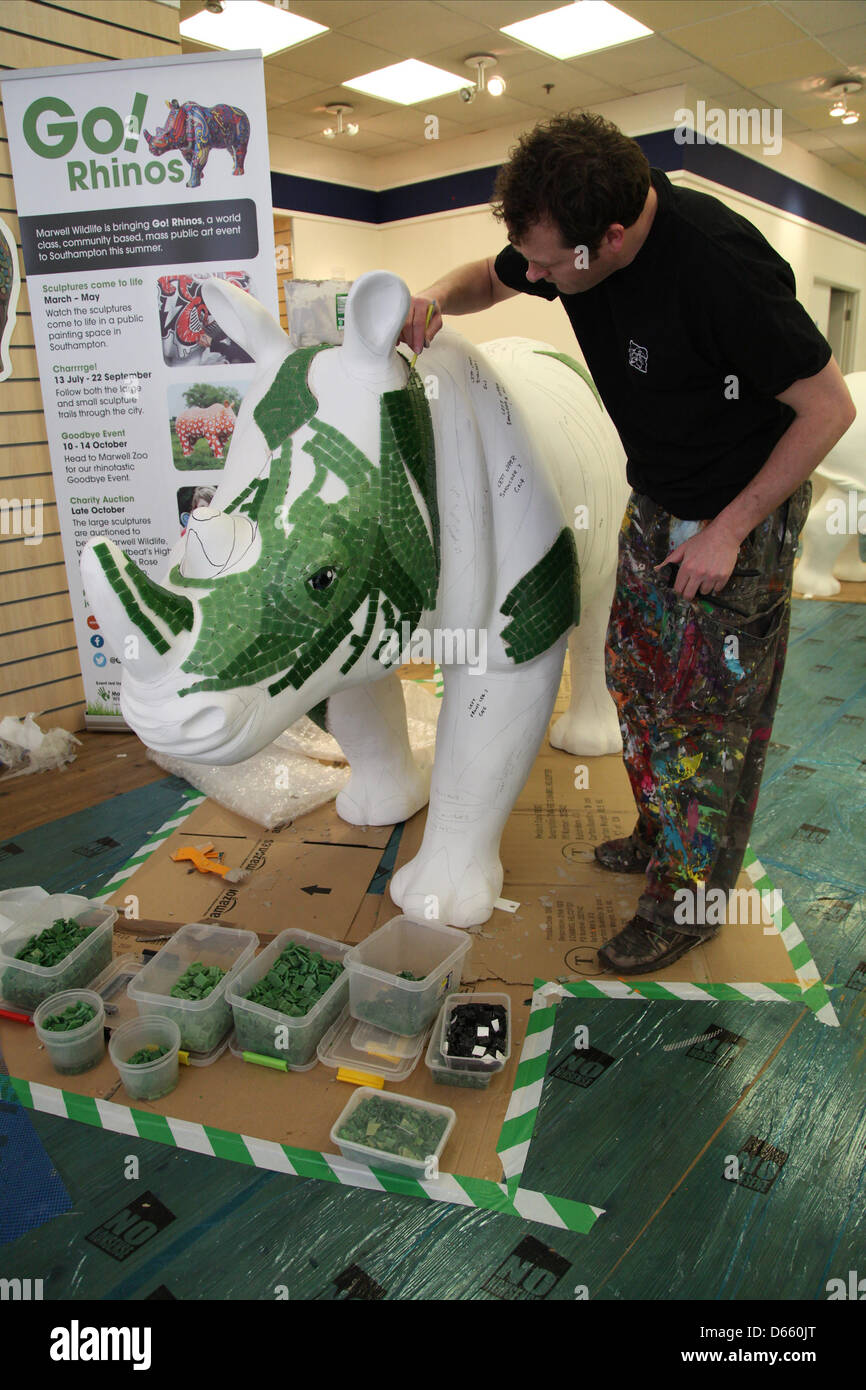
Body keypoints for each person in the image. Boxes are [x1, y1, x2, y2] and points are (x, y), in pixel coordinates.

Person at [398, 111, 856, 975]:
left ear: (609, 239)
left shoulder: (721, 269)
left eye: (544, 264)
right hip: (658, 495)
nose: (530, 276)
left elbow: (829, 409)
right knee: (635, 680)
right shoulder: (564, 242)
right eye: (526, 257)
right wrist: (427, 304)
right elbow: (487, 283)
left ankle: (688, 903)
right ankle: (658, 831)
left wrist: (728, 531)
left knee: (707, 722)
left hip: (740, 515)